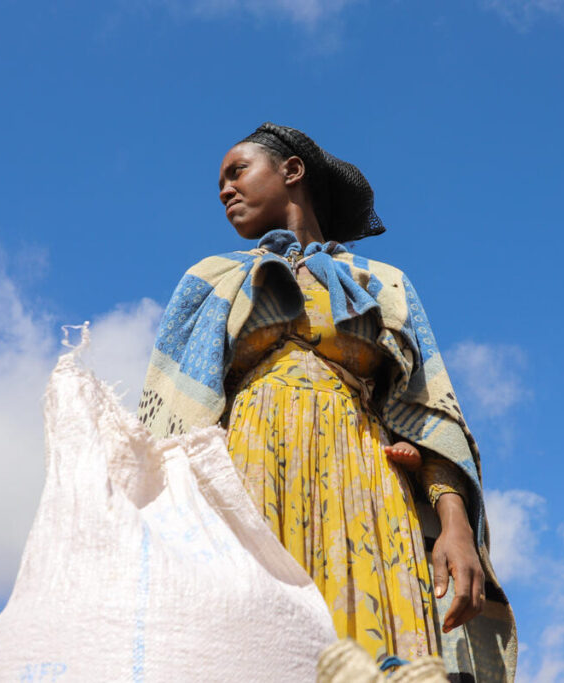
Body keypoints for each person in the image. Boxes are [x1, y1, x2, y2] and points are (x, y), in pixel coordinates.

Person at [138, 123, 516, 681]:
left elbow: (429, 411)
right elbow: (175, 416)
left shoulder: (381, 283)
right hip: (246, 478)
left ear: (292, 171)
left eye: (236, 171)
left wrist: (455, 526)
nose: (223, 191)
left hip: (367, 486)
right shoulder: (213, 281)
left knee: (370, 648)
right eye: (220, 182)